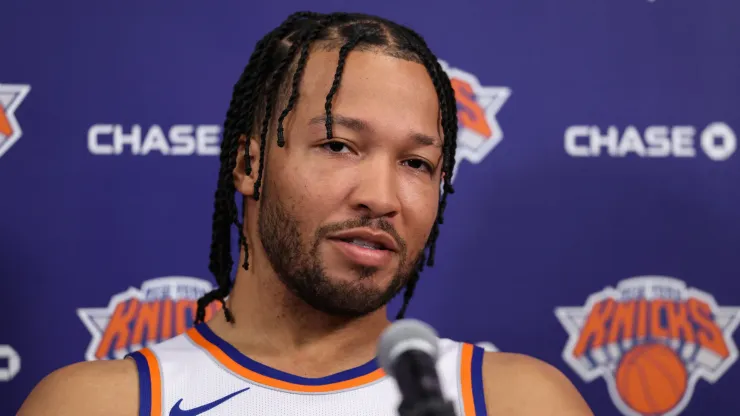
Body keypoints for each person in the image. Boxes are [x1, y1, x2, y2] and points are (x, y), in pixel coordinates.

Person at [19, 11, 593, 416]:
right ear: (249, 163)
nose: (382, 196)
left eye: (417, 163)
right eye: (339, 146)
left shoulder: (519, 402)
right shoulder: (97, 405)